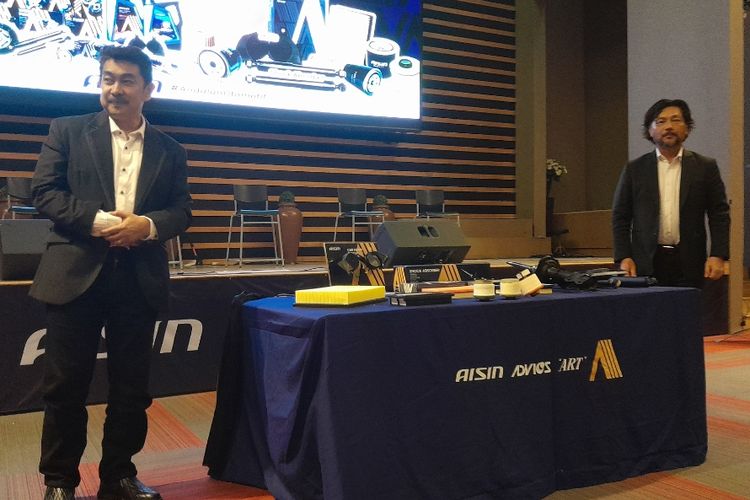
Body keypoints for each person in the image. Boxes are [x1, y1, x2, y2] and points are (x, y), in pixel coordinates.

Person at [30, 45, 192, 500]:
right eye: (108, 79)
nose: (115, 89)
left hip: (138, 279)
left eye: (126, 80)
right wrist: (101, 222)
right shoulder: (67, 131)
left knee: (131, 388)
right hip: (74, 275)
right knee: (65, 386)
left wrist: (147, 226)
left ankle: (119, 476)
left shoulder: (171, 150)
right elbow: (45, 191)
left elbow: (181, 209)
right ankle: (60, 482)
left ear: (148, 89)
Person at [612, 98, 729, 288]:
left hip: (690, 261)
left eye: (676, 120)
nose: (669, 127)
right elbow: (620, 216)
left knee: (689, 307)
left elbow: (719, 214)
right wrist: (623, 257)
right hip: (646, 262)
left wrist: (718, 255)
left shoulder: (705, 167)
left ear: (687, 128)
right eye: (661, 121)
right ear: (650, 131)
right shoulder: (635, 169)